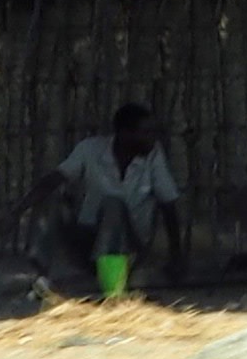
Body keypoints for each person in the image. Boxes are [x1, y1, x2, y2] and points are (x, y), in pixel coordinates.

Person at [30, 101, 184, 301]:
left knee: (114, 205)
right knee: (52, 200)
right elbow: (54, 179)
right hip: (89, 238)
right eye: (145, 132)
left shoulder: (154, 156)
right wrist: (15, 212)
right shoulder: (90, 150)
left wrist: (176, 256)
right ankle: (42, 277)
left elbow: (168, 205)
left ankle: (113, 285)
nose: (152, 138)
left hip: (130, 246)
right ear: (124, 133)